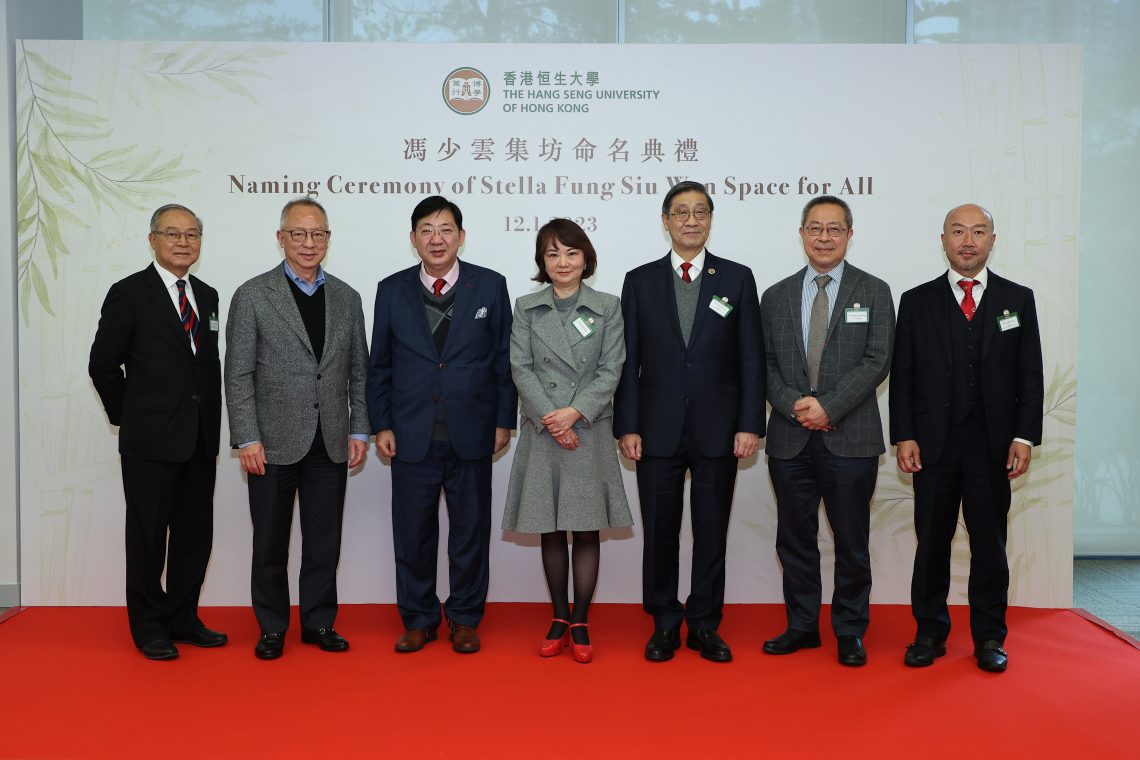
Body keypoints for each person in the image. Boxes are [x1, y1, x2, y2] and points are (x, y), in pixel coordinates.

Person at [613, 181, 764, 663]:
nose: (691, 220)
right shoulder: (639, 281)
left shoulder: (737, 279)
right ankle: (663, 622)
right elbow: (628, 359)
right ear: (665, 220)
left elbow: (751, 359)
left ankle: (703, 623)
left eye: (701, 212)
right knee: (660, 531)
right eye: (681, 212)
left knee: (711, 529)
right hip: (655, 429)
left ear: (711, 220)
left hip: (720, 429)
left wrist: (749, 423)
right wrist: (627, 425)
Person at [890, 203, 1044, 673]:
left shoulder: (1018, 299)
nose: (968, 240)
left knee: (990, 545)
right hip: (933, 445)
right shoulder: (916, 301)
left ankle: (989, 637)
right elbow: (904, 375)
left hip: (993, 446)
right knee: (931, 542)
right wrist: (904, 435)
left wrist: (1024, 436)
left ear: (992, 240)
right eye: (958, 231)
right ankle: (930, 632)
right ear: (943, 240)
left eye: (978, 231)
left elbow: (1029, 374)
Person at [366, 196, 516, 655]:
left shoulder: (489, 286)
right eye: (426, 229)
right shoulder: (391, 289)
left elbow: (503, 361)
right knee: (413, 534)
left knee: (470, 533)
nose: (437, 238)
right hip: (411, 433)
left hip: (472, 430)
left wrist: (502, 420)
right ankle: (419, 619)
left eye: (446, 229)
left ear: (461, 237)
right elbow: (380, 366)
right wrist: (381, 424)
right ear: (413, 240)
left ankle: (465, 618)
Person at [224, 197, 369, 660]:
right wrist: (247, 436)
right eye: (299, 234)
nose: (309, 243)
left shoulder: (348, 297)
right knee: (269, 541)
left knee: (324, 540)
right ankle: (271, 627)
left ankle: (319, 622)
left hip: (330, 439)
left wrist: (359, 429)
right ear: (281, 237)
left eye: (318, 234)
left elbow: (359, 373)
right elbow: (238, 373)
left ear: (329, 238)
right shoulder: (252, 294)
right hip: (270, 442)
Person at [759, 196, 894, 667]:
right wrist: (796, 407)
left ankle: (850, 630)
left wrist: (829, 406)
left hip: (851, 437)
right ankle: (801, 626)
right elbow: (767, 364)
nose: (824, 237)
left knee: (851, 540)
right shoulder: (775, 295)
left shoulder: (874, 290)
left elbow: (878, 359)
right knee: (794, 538)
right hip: (790, 438)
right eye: (815, 228)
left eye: (835, 229)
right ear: (801, 234)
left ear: (849, 235)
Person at [88, 203, 227, 660]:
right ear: (152, 240)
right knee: (148, 537)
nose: (183, 242)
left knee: (194, 534)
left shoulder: (206, 295)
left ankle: (183, 617)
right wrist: (130, 417)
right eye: (173, 233)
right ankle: (149, 626)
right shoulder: (129, 293)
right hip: (149, 441)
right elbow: (104, 365)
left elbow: (203, 367)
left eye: (192, 234)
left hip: (199, 437)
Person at [502, 219, 633, 664]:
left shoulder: (607, 307)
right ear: (542, 260)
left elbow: (611, 369)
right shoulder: (526, 307)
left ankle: (580, 619)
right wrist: (552, 418)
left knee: (586, 525)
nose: (563, 262)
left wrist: (575, 413)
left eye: (571, 253)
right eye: (553, 253)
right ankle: (558, 616)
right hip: (545, 430)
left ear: (585, 258)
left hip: (588, 429)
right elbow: (520, 367)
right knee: (551, 527)